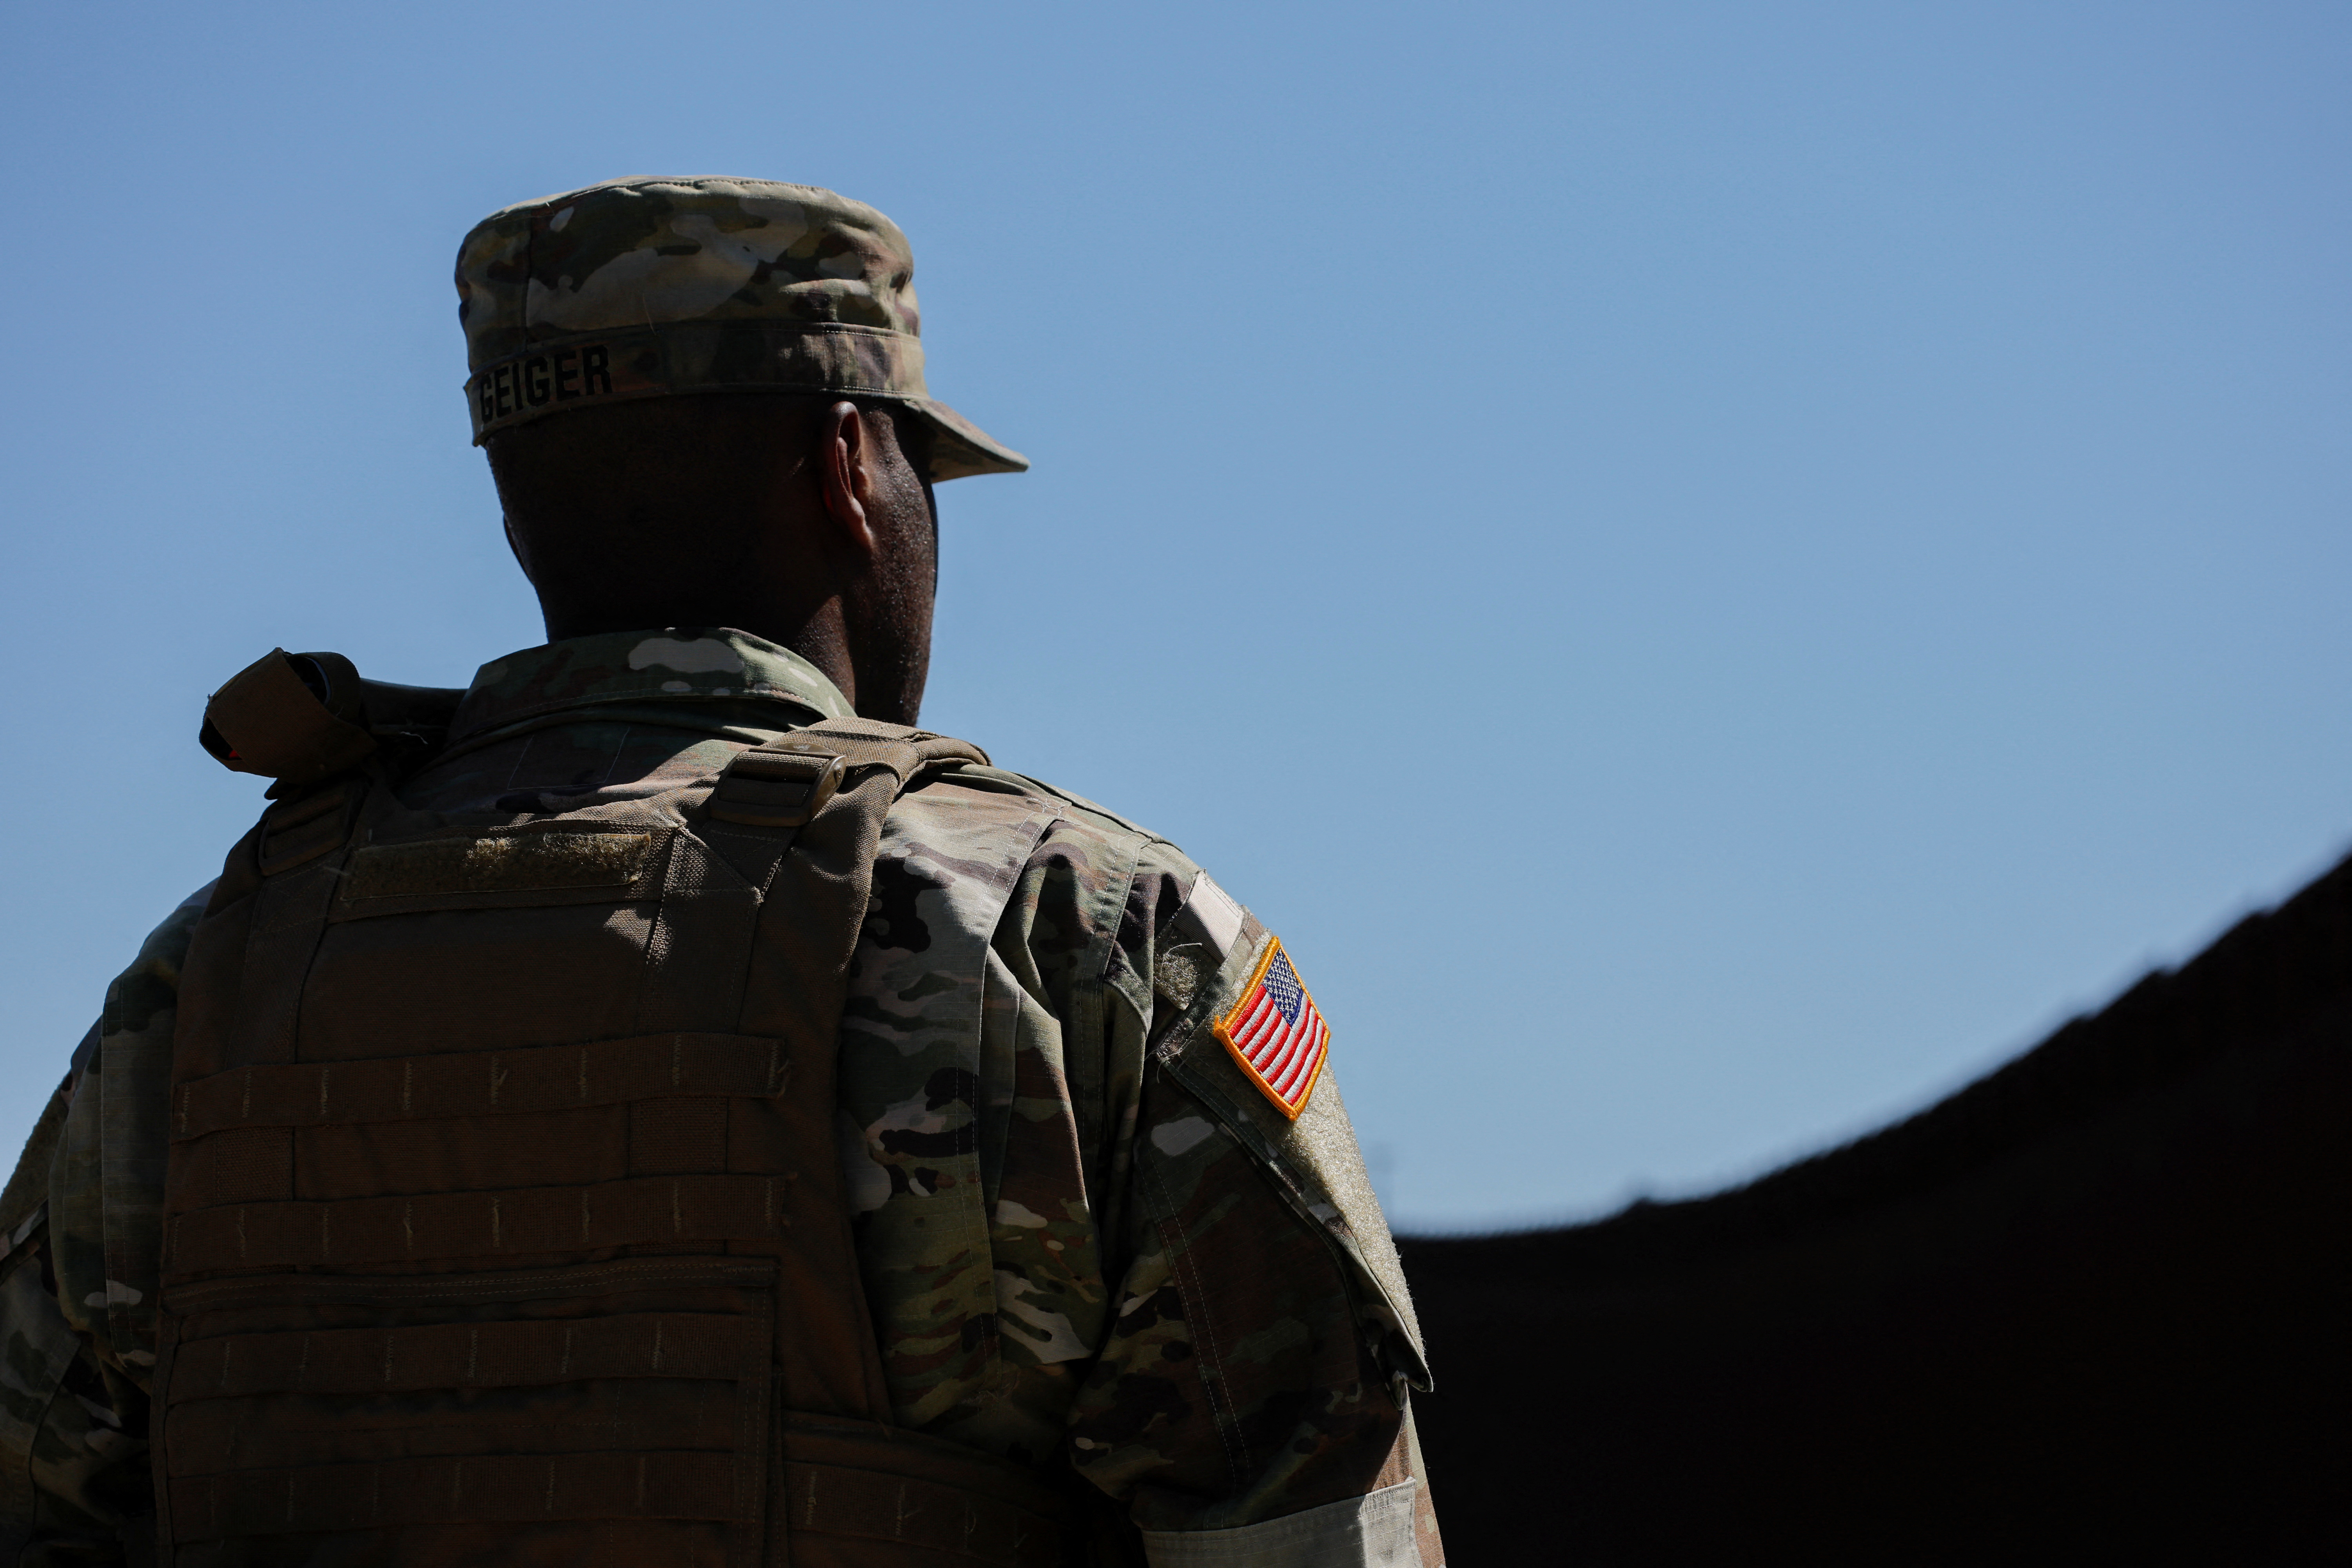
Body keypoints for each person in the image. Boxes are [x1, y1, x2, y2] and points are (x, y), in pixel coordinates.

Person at [0, 176, 1441, 1568]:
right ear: (848, 470)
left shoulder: (213, 974)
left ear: (515, 512)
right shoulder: (1074, 925)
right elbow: (1307, 1527)